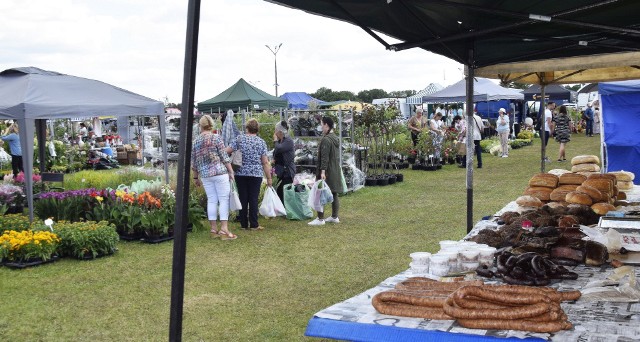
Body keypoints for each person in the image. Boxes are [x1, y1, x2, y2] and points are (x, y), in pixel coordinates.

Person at [192, 115, 237, 240]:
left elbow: (194, 162)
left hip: (205, 175)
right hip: (219, 172)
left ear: (200, 126)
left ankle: (213, 229)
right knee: (223, 200)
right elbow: (224, 156)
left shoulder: (195, 141)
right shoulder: (216, 138)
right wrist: (231, 171)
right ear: (211, 124)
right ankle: (224, 229)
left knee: (211, 200)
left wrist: (195, 178)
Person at [226, 118, 272, 231]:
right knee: (253, 198)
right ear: (257, 129)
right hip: (256, 174)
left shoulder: (239, 139)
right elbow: (265, 162)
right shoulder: (261, 142)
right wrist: (269, 178)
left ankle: (243, 224)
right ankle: (254, 224)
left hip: (240, 173)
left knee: (243, 198)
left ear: (247, 128)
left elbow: (226, 151)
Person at [308, 117, 342, 226]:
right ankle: (334, 216)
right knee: (334, 192)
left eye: (322, 124)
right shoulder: (335, 138)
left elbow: (324, 158)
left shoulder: (326, 140)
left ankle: (320, 218)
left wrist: (322, 172)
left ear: (326, 125)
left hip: (326, 171)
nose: (321, 126)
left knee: (319, 192)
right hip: (335, 169)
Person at [273, 120, 295, 203]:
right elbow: (276, 152)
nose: (274, 133)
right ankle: (282, 209)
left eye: (276, 130)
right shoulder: (280, 141)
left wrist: (275, 140)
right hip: (280, 170)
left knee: (285, 190)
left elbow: (279, 148)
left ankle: (288, 209)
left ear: (280, 131)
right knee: (279, 190)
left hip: (287, 171)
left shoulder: (288, 140)